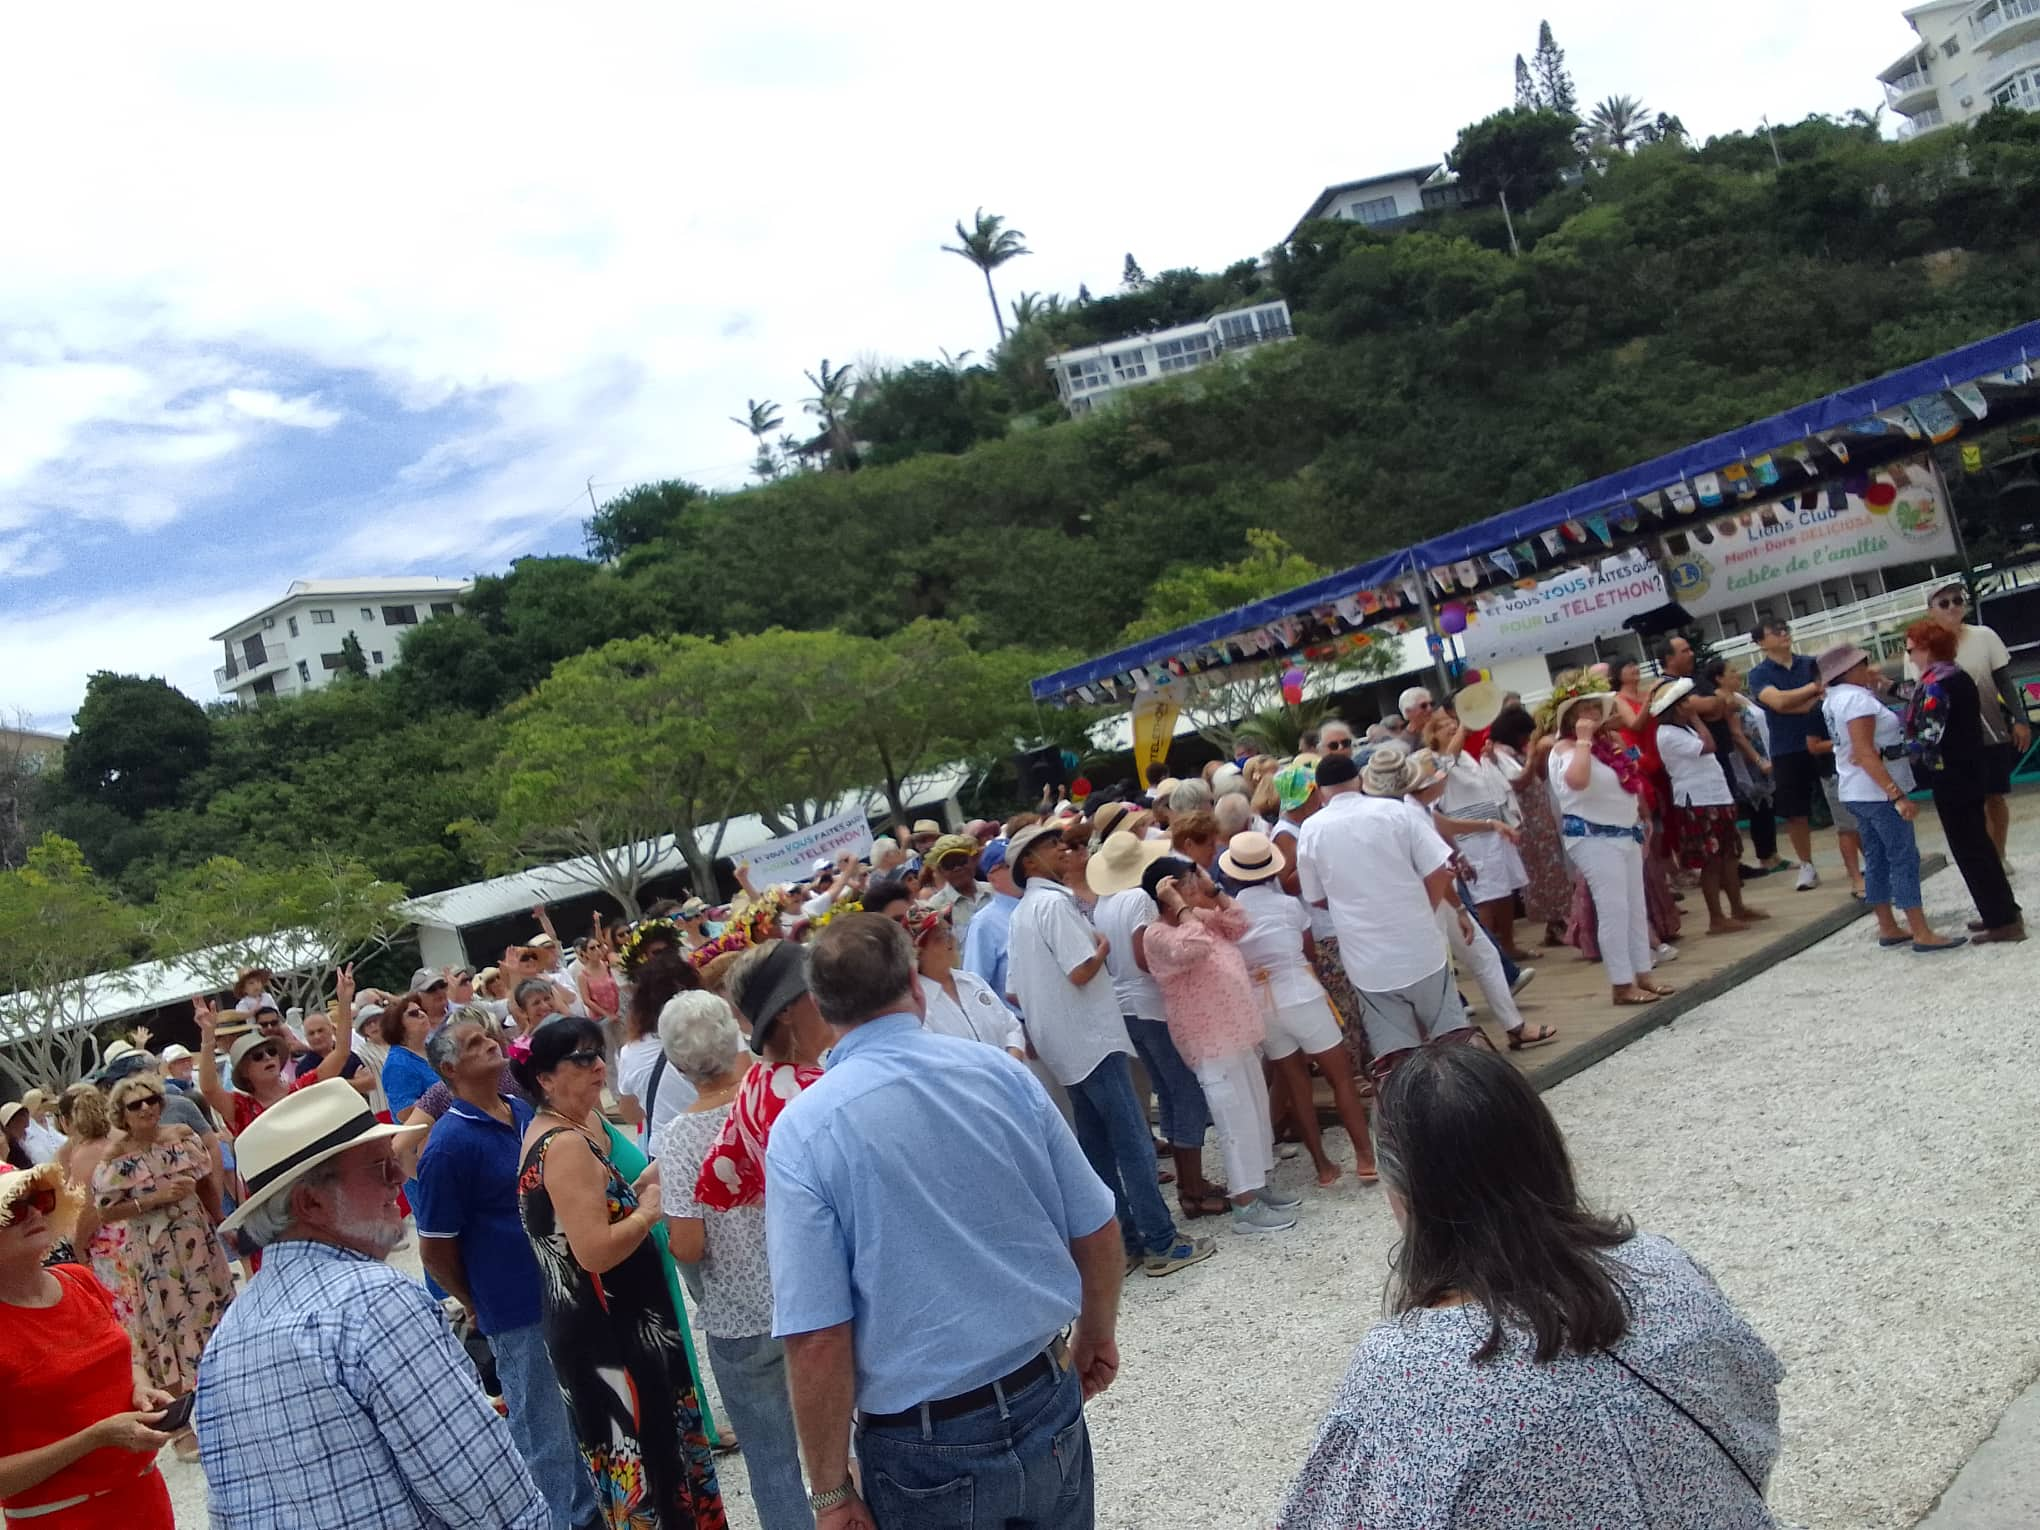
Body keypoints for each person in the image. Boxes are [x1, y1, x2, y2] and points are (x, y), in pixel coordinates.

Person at [1278, 1044, 1783, 1529]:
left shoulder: (1404, 1367)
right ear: (1546, 1151)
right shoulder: (1662, 1263)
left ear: (1404, 1191)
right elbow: (1756, 1407)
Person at [765, 914, 1127, 1530]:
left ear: (822, 1011)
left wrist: (828, 1492)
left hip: (923, 1437)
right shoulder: (1001, 1074)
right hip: (1041, 1388)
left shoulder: (803, 1132)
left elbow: (817, 1335)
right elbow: (1094, 1226)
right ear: (913, 981)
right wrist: (1096, 1332)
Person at [195, 1080, 550, 1528]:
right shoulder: (375, 1302)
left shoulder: (225, 1339)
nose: (399, 1180)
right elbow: (486, 1492)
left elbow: (229, 1512)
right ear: (311, 1202)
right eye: (380, 1169)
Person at [513, 1016, 726, 1527]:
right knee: (649, 1466)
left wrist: (665, 1166)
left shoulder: (568, 1130)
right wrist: (649, 1214)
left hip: (617, 1328)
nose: (597, 1066)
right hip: (611, 1337)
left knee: (659, 1463)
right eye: (581, 1060)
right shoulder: (562, 1145)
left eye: (598, 1055)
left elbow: (609, 1198)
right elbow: (594, 1251)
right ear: (545, 1077)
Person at [414, 1016, 600, 1530]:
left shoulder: (522, 1111)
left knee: (584, 1413)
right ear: (450, 1068)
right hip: (515, 1307)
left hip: (567, 1287)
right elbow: (435, 1248)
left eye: (488, 1035)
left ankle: (593, 1515)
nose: (490, 1044)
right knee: (545, 1433)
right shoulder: (448, 1146)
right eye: (475, 1044)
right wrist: (474, 1299)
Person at [1005, 824, 1212, 1278]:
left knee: (1098, 1149)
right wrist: (1102, 947)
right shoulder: (1054, 905)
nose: (1061, 848)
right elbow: (1080, 970)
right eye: (1048, 846)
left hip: (1064, 1046)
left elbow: (1016, 992)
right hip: (1091, 1039)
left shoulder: (1021, 913)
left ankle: (1128, 1241)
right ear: (1029, 862)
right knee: (1134, 1143)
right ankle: (1161, 1241)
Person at [656, 993, 813, 1530]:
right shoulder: (776, 1098)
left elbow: (689, 1246)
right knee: (848, 1436)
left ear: (677, 1065)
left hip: (740, 1317)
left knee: (772, 1464)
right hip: (811, 1292)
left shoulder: (677, 1141)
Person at [0, 1161, 178, 1529]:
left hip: (144, 1495)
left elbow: (123, 1359)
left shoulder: (78, 1278)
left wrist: (142, 1389)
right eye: (13, 1209)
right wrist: (94, 1439)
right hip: (65, 1517)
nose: (33, 1213)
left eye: (40, 1200)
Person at [1139, 855, 1298, 1234]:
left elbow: (1239, 922)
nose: (1197, 883)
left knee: (1255, 1112)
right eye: (1188, 880)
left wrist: (1215, 891)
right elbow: (1192, 949)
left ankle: (1256, 1185)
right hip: (1209, 1041)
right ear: (1169, 891)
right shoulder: (1158, 933)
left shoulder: (1201, 918)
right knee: (1233, 1120)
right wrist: (1180, 907)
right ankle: (1244, 1204)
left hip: (1238, 1032)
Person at [1223, 831, 1380, 1187]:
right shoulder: (1288, 906)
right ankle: (1364, 1157)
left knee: (1296, 1085)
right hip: (1300, 991)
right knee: (1340, 1076)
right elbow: (1308, 954)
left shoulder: (1229, 914)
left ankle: (1323, 1166)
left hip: (1262, 1002)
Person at [1294, 752, 1463, 1077]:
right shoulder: (1395, 811)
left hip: (1368, 961)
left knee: (1397, 1058)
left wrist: (1355, 907)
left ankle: (1411, 1119)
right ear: (1359, 779)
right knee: (1453, 1040)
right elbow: (1439, 870)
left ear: (1319, 789)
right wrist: (1422, 910)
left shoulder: (1311, 830)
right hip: (1421, 947)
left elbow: (1315, 898)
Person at [1086, 831, 1227, 1220]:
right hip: (1150, 1004)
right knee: (1186, 1094)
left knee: (1168, 1093)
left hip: (1126, 1006)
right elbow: (1144, 955)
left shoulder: (1105, 903)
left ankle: (1189, 1184)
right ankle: (1192, 1188)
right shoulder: (1137, 900)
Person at [1396, 751, 1555, 1051]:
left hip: (1437, 897)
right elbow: (1434, 872)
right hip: (1436, 900)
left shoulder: (1416, 809)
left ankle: (1510, 1028)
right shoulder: (1411, 815)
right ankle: (1476, 1038)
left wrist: (1490, 825)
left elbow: (1444, 825)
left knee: (1479, 959)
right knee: (1453, 969)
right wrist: (1458, 908)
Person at [1819, 644, 1963, 954]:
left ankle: (1887, 924)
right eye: (1863, 663)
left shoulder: (1834, 700)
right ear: (1850, 670)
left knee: (1877, 856)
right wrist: (1896, 795)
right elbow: (1866, 752)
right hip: (1877, 790)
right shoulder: (1856, 700)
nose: (1869, 667)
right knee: (1903, 857)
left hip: (1855, 789)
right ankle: (1920, 929)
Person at [1543, 674, 1673, 1006]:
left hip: (1625, 832)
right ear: (1570, 718)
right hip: (1592, 836)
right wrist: (1584, 741)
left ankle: (1643, 973)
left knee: (1634, 905)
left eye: (1594, 709)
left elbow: (1631, 778)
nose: (1591, 715)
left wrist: (1641, 816)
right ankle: (1620, 983)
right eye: (1583, 710)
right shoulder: (1563, 748)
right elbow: (1577, 781)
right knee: (1613, 907)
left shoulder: (1608, 745)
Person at [1903, 618, 2023, 942]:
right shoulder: (1951, 675)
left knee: (1971, 849)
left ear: (1927, 649)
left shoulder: (1938, 684)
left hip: (1952, 775)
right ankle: (2001, 912)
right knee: (1979, 846)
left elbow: (1929, 734)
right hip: (1967, 770)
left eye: (1911, 649)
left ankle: (2002, 920)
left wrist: (1893, 751)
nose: (1909, 655)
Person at [1916, 579, 2032, 862]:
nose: (1953, 607)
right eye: (1944, 603)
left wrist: (2021, 720)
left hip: (1990, 730)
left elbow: (2004, 681)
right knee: (1971, 802)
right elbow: (1919, 696)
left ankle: (1999, 855)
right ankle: (1983, 859)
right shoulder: (1922, 647)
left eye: (1958, 600)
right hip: (1952, 741)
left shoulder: (1984, 635)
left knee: (1995, 796)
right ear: (1931, 611)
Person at [1748, 618, 1862, 893]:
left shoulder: (1812, 663)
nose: (1783, 633)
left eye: (1785, 628)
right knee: (1795, 812)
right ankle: (1807, 866)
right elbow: (1777, 702)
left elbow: (1822, 701)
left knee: (1846, 801)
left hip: (1824, 742)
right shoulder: (1758, 674)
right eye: (1775, 631)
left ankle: (1866, 859)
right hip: (1786, 747)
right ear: (1761, 642)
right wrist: (1812, 692)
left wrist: (1793, 703)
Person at [1649, 677, 1770, 936]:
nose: (1690, 706)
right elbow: (1708, 745)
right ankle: (1716, 917)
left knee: (1729, 854)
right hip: (1697, 800)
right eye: (1685, 703)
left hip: (1715, 794)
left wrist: (1693, 721)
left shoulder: (1683, 730)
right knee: (1711, 861)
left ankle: (1737, 907)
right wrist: (1696, 719)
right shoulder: (1668, 733)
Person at [1488, 705, 1572, 947]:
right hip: (1527, 822)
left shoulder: (1512, 752)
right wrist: (1533, 755)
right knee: (1543, 873)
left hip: (1538, 818)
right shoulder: (1501, 754)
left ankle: (1557, 921)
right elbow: (1519, 782)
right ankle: (1554, 921)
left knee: (1553, 869)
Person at [906, 905, 1026, 1054]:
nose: (951, 940)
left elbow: (1011, 1027)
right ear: (918, 951)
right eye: (939, 937)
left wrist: (1012, 1061)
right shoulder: (916, 1005)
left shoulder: (973, 982)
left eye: (949, 931)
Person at [618, 953, 705, 1145]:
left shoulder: (631, 1052)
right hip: (720, 1143)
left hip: (667, 1153)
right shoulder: (717, 1034)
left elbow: (631, 1114)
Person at [376, 992, 440, 1120]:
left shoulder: (434, 1048)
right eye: (414, 1014)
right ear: (398, 1025)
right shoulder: (397, 1065)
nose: (422, 1015)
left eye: (421, 1010)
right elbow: (404, 1114)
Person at [921, 834, 993, 933]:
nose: (957, 868)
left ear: (972, 861)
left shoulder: (996, 891)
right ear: (940, 871)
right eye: (949, 864)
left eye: (961, 860)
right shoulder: (935, 908)